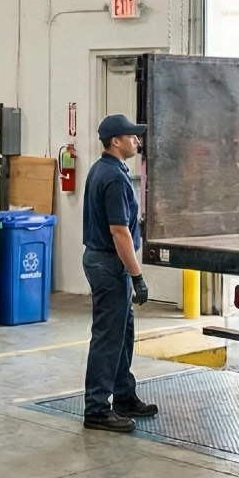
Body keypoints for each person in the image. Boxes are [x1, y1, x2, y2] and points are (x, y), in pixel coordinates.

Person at [80, 114, 157, 432]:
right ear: (116, 141)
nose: (137, 141)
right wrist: (136, 275)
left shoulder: (105, 170)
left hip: (107, 263)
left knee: (122, 335)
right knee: (109, 338)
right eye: (132, 136)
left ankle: (124, 395)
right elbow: (119, 232)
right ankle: (97, 408)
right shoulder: (112, 177)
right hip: (110, 265)